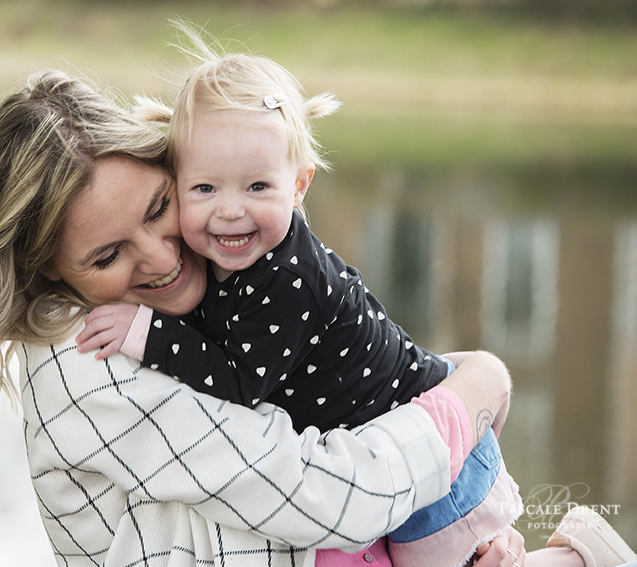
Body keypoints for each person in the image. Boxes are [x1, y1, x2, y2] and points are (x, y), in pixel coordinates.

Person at [0, 68, 635, 567]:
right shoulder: (87, 358)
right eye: (107, 254)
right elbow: (335, 493)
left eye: (159, 208)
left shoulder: (214, 271)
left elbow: (335, 372)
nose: (163, 257)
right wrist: (473, 390)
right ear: (48, 272)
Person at [73, 27, 518, 567]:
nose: (230, 210)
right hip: (387, 451)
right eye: (205, 189)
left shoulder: (288, 280)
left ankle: (581, 556)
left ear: (300, 185)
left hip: (436, 469)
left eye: (257, 187)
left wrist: (146, 332)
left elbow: (237, 383)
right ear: (178, 180)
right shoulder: (230, 260)